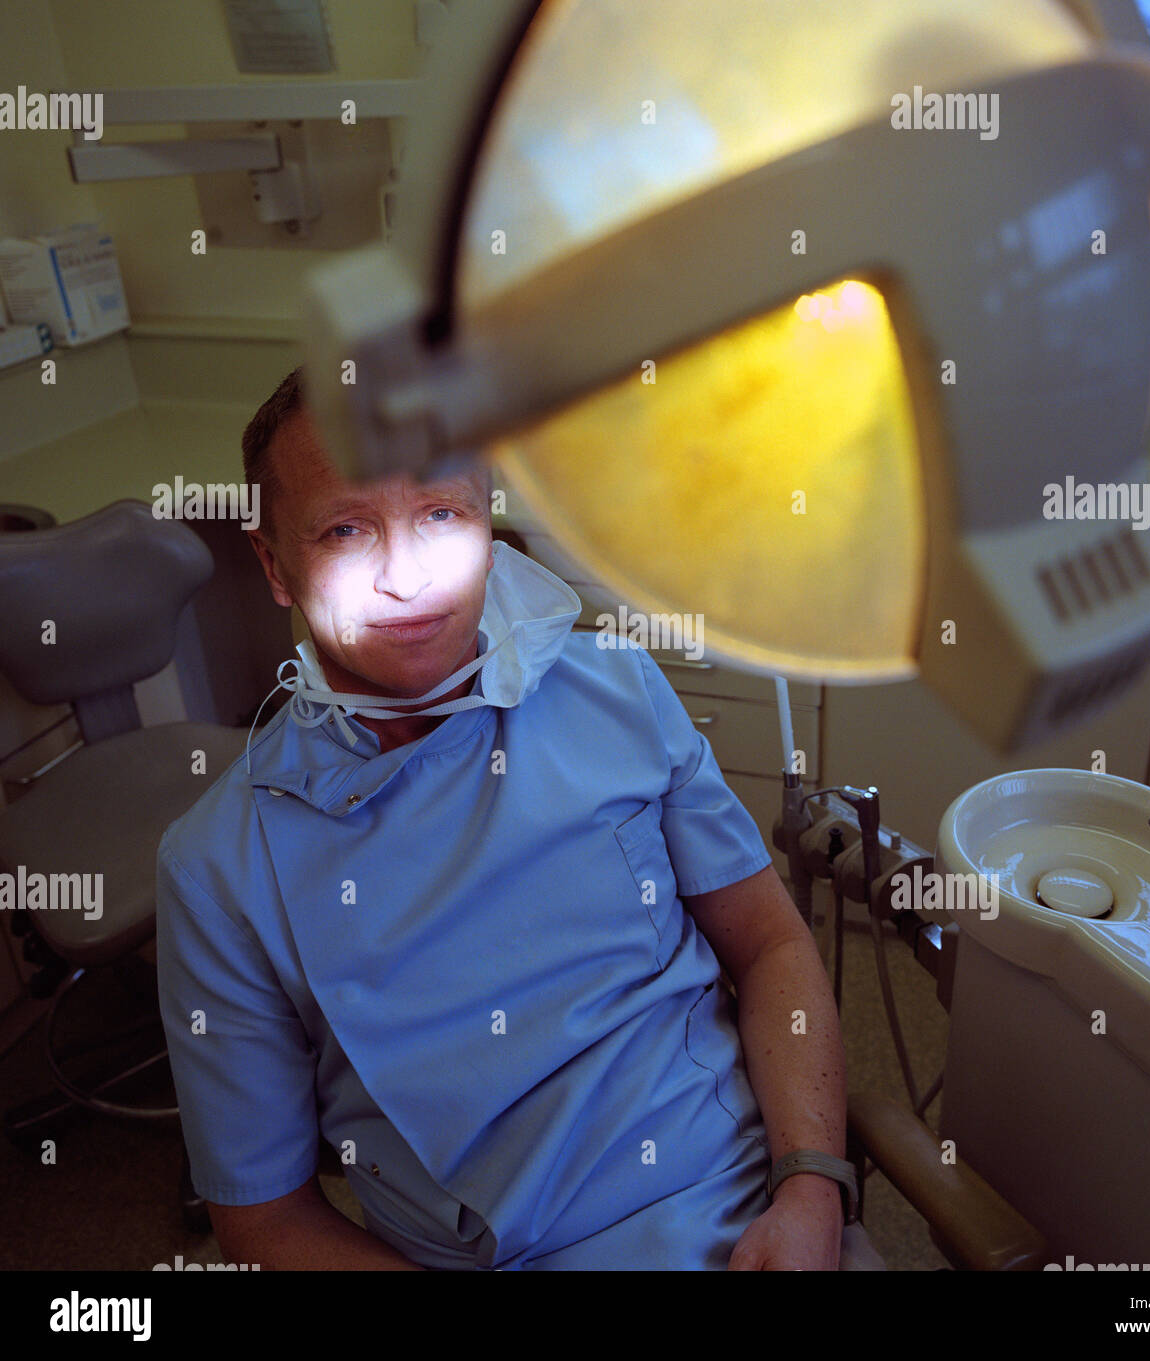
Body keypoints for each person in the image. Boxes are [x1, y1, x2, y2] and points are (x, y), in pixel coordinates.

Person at [155, 367, 856, 1270]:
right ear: (273, 563)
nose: (407, 577)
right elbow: (264, 1217)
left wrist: (809, 1190)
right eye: (345, 529)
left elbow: (771, 946)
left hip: (741, 1207)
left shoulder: (621, 693)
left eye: (442, 515)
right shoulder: (220, 867)